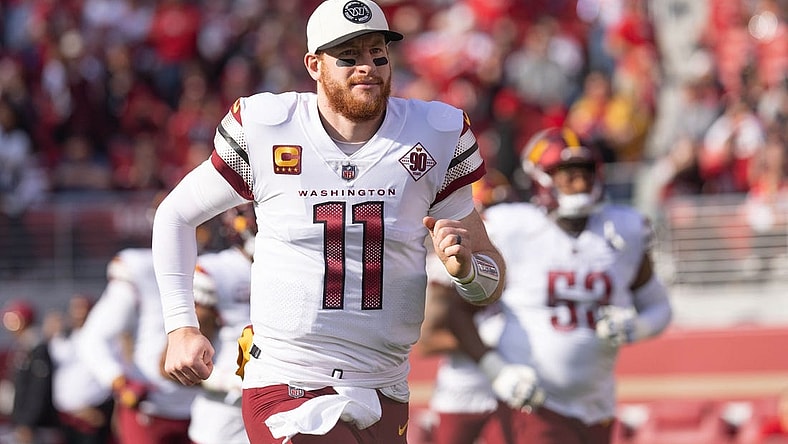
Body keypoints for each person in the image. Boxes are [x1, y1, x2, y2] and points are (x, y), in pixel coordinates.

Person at [150, 0, 506, 442]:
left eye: (377, 53)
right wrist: (181, 326)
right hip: (287, 378)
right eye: (349, 56)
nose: (367, 67)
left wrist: (467, 272)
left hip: (385, 383)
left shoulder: (434, 134)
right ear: (314, 65)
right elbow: (175, 215)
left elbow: (490, 279)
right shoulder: (268, 128)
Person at [451, 127, 673, 444]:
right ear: (541, 178)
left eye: (585, 173)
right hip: (535, 403)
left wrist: (636, 327)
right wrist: (496, 371)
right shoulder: (512, 227)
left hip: (598, 405)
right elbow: (454, 311)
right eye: (568, 175)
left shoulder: (623, 229)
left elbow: (660, 308)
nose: (580, 184)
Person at [77, 248, 198, 444]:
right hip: (151, 405)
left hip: (206, 407)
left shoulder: (216, 264)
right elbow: (93, 338)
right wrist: (119, 382)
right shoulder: (142, 266)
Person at [188, 206, 254, 444]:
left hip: (280, 413)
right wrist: (231, 381)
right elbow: (181, 363)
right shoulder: (217, 271)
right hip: (225, 424)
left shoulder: (298, 269)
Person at [48, 294, 115, 444]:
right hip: (64, 417)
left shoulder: (102, 339)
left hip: (93, 414)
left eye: (81, 308)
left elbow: (112, 372)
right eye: (75, 308)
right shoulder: (64, 337)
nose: (77, 313)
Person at [1, 299, 60, 444]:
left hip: (37, 426)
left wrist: (28, 423)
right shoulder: (23, 347)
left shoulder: (37, 349)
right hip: (23, 422)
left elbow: (39, 390)